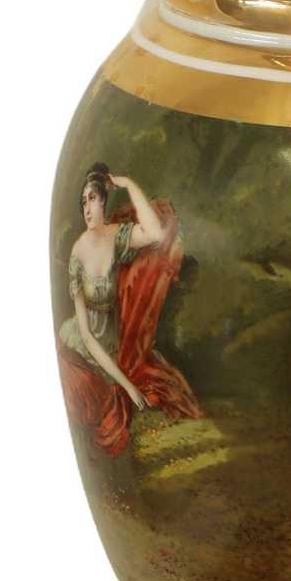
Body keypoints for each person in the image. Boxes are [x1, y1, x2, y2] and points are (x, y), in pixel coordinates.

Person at [58, 162, 202, 455]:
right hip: (81, 350)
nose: (87, 209)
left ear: (103, 200)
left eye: (92, 199)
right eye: (83, 202)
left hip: (111, 348)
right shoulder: (78, 252)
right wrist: (128, 386)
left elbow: (156, 234)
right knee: (91, 408)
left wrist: (128, 184)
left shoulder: (117, 236)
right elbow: (87, 337)